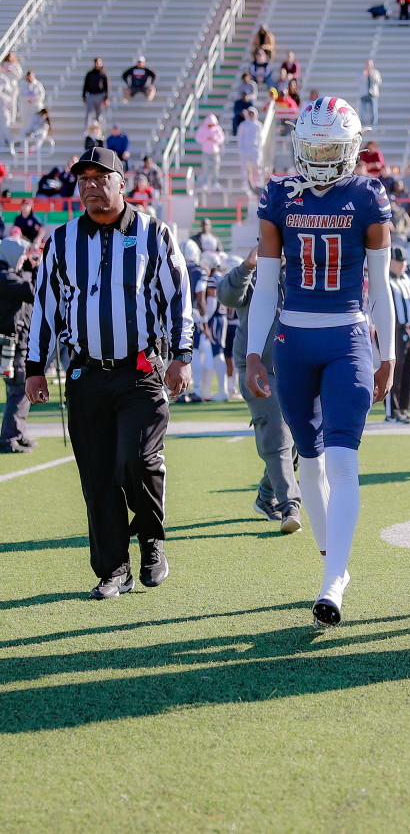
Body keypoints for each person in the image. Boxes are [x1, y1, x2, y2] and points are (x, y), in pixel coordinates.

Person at [246, 97, 396, 627]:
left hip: (347, 338)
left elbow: (379, 284)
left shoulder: (367, 194)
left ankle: (334, 577)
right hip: (292, 339)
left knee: (341, 459)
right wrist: (251, 352)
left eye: (333, 147)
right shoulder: (280, 194)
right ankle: (330, 561)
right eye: (315, 147)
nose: (324, 157)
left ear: (352, 148)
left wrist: (389, 352)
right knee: (307, 459)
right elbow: (265, 284)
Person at [26, 147, 194, 599]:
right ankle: (113, 568)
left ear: (123, 183)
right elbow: (44, 306)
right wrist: (35, 368)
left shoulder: (153, 233)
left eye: (101, 178)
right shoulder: (60, 242)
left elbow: (179, 296)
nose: (91, 185)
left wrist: (182, 354)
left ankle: (151, 539)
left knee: (135, 461)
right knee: (97, 476)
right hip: (86, 375)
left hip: (140, 370)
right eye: (84, 179)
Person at [217, 246, 302, 530]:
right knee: (278, 435)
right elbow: (226, 296)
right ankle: (291, 505)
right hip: (259, 369)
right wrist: (247, 266)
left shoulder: (299, 275)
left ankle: (265, 496)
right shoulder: (251, 277)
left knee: (300, 441)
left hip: (295, 367)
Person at [0, 235, 35, 453]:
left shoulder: (10, 275)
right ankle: (9, 438)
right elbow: (32, 292)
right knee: (19, 388)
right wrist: (36, 271)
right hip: (10, 342)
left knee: (19, 388)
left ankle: (17, 432)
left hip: (17, 340)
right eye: (21, 254)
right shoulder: (5, 277)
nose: (24, 259)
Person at [385, 246, 410, 424]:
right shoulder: (385, 281)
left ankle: (404, 408)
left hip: (408, 328)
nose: (402, 265)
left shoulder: (407, 278)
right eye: (398, 261)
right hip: (393, 330)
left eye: (403, 261)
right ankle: (392, 411)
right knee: (395, 369)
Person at [237, 106, 264, 194]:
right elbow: (240, 137)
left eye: (253, 114)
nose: (251, 116)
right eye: (250, 114)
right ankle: (244, 182)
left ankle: (258, 181)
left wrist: (259, 147)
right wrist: (241, 147)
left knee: (256, 165)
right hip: (245, 148)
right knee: (245, 166)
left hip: (255, 148)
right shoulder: (243, 125)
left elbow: (260, 138)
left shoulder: (259, 125)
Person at [195, 114, 224, 193]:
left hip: (215, 151)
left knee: (216, 168)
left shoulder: (217, 128)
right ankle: (205, 183)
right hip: (206, 151)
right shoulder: (202, 128)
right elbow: (198, 138)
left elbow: (221, 138)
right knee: (205, 168)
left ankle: (215, 183)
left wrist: (214, 139)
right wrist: (206, 139)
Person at [81, 57, 109, 128]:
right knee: (89, 113)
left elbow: (107, 86)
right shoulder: (90, 74)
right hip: (91, 95)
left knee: (99, 114)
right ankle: (87, 130)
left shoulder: (103, 74)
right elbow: (85, 85)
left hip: (100, 95)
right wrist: (84, 96)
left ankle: (99, 130)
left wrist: (106, 98)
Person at [358, 60, 382, 128]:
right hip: (363, 94)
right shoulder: (361, 72)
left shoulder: (375, 72)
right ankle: (363, 123)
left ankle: (373, 124)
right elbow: (358, 80)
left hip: (373, 94)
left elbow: (378, 81)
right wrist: (364, 75)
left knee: (373, 110)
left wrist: (371, 75)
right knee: (362, 110)